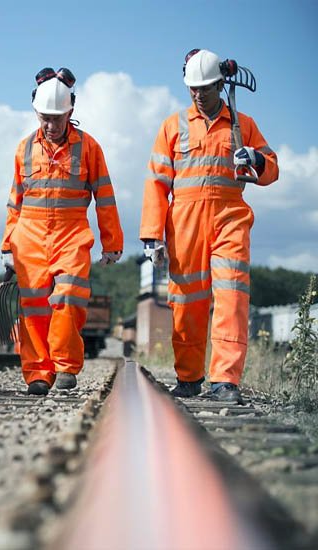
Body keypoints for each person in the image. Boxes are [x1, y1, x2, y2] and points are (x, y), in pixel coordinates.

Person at [140, 49, 278, 403]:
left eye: (205, 88)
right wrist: (152, 236)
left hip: (230, 218)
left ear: (220, 83)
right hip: (184, 225)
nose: (198, 95)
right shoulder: (173, 126)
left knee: (231, 298)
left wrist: (257, 159)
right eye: (192, 89)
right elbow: (157, 182)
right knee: (187, 304)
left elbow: (271, 169)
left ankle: (225, 381)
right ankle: (189, 378)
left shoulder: (242, 125)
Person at [2, 67, 124, 396]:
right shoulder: (24, 149)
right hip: (29, 237)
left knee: (68, 297)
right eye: (45, 118)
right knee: (34, 307)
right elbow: (15, 201)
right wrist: (6, 246)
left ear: (71, 111)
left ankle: (65, 365)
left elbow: (105, 196)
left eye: (57, 118)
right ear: (36, 112)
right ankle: (38, 373)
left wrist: (112, 241)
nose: (51, 125)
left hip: (71, 235)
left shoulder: (89, 148)